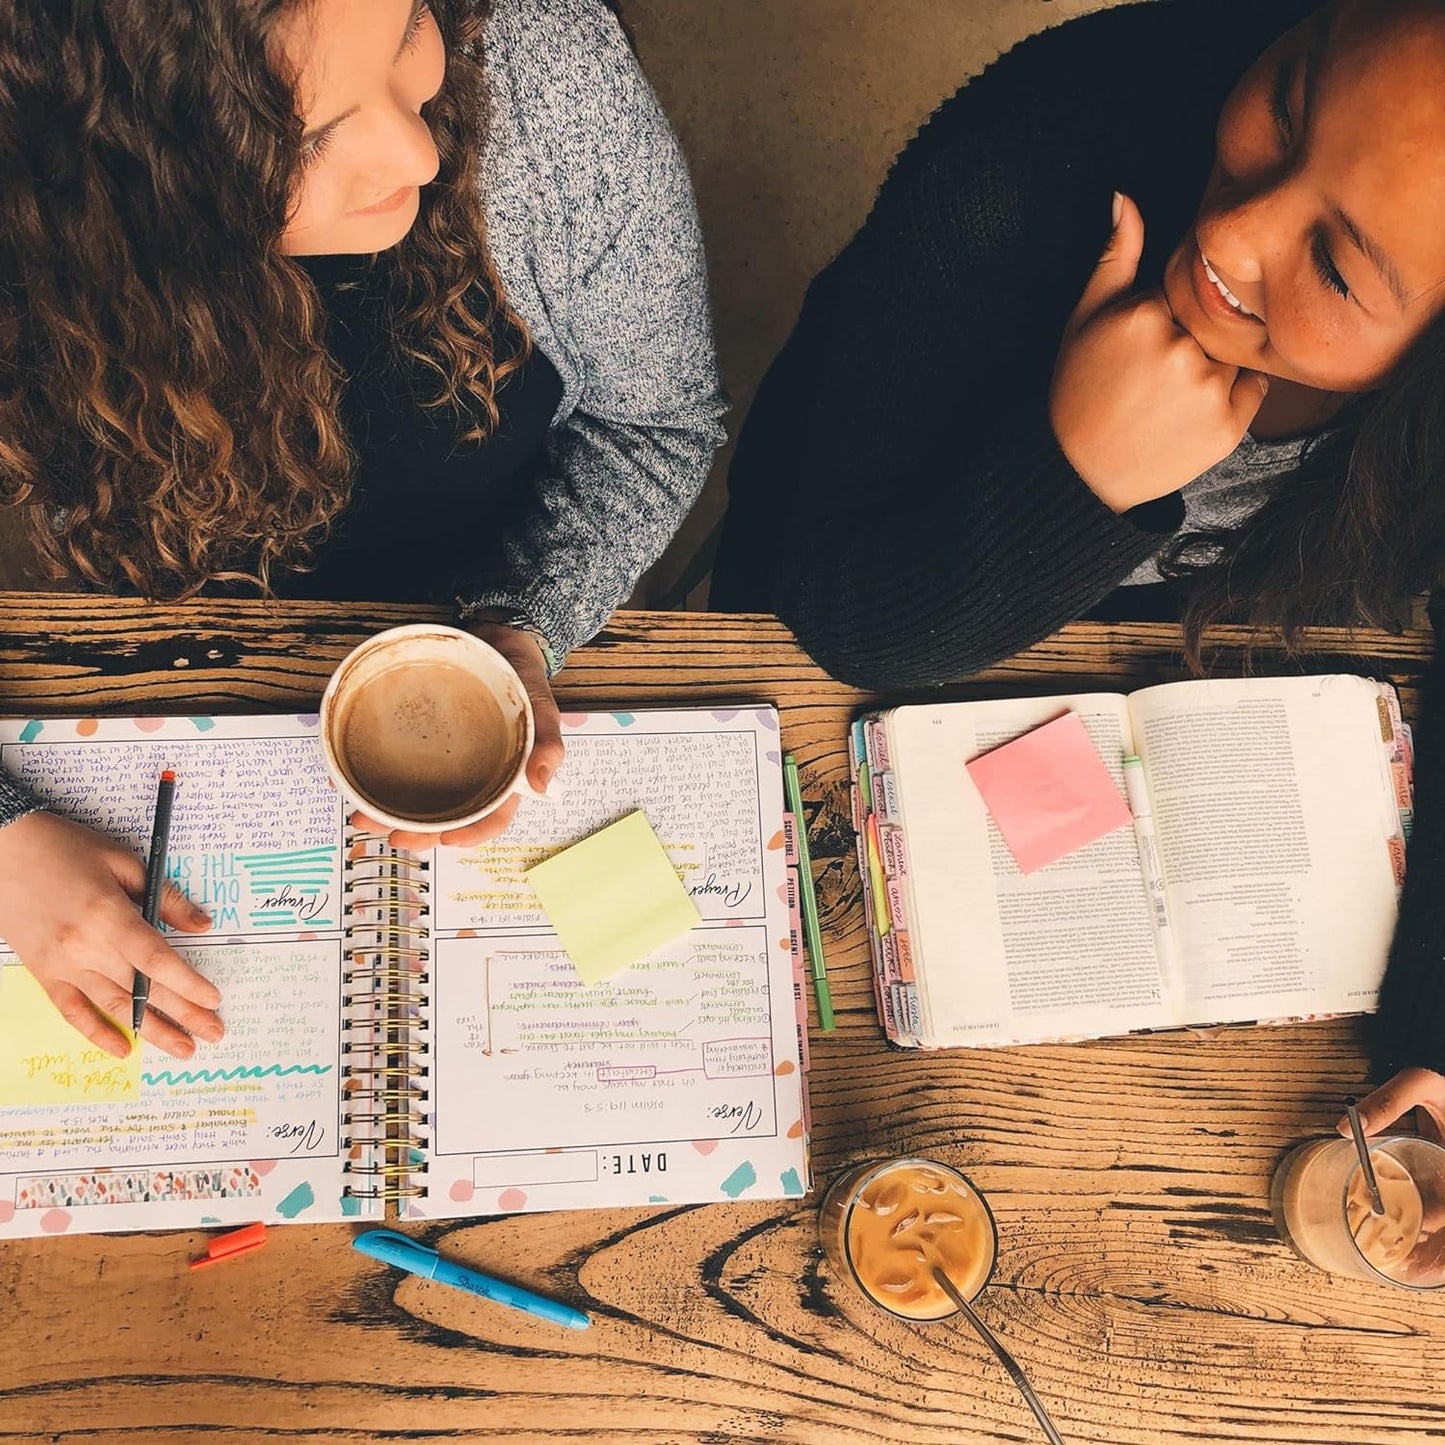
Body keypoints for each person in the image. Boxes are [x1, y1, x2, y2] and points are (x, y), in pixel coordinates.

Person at [713, 0, 1445, 1140]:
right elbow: (835, 600)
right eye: (1289, 106)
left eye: (1335, 270)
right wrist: (1074, 477)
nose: (1233, 235)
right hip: (885, 588)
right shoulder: (1042, 145)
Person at [0, 0, 725, 1060]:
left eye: (405, 35)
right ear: (99, 185)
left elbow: (653, 420)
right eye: (299, 138)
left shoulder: (536, 58)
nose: (422, 151)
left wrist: (530, 615)